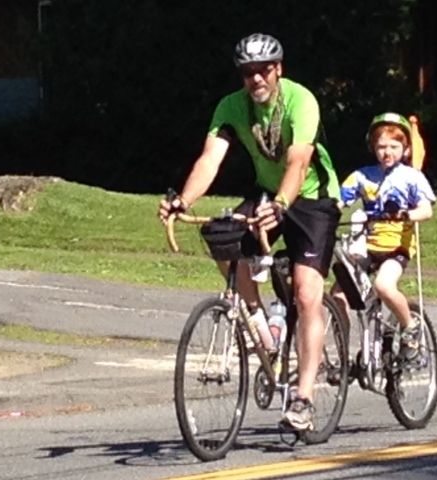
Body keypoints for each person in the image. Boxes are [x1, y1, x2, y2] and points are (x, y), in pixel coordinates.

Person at [158, 33, 341, 431]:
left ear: (278, 69)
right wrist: (182, 201)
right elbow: (210, 160)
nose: (256, 78)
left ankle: (304, 399)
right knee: (221, 237)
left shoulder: (301, 101)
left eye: (263, 70)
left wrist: (281, 205)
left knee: (307, 294)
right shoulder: (231, 107)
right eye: (247, 72)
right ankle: (260, 324)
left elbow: (298, 162)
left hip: (313, 199)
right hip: (267, 193)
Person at [333, 112, 436, 360]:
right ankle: (343, 353)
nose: (387, 152)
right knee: (337, 295)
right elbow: (338, 201)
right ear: (373, 148)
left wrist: (407, 214)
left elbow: (426, 210)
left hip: (396, 249)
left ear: (406, 148)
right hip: (366, 246)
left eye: (394, 146)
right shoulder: (362, 176)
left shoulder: (412, 177)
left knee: (384, 286)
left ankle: (410, 326)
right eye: (381, 147)